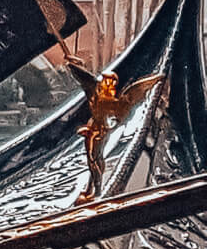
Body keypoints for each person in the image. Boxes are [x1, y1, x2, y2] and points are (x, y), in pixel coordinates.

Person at [65, 55, 163, 204]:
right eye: (104, 80)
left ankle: (95, 190)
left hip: (98, 133)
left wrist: (99, 129)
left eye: (107, 81)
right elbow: (86, 80)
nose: (104, 82)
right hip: (92, 129)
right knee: (94, 160)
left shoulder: (113, 102)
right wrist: (75, 64)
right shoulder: (97, 95)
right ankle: (92, 188)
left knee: (94, 160)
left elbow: (113, 119)